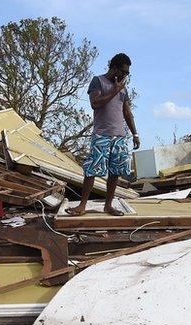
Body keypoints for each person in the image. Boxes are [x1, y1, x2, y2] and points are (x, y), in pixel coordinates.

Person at [66, 53, 139, 216]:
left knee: (115, 172)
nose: (125, 75)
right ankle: (82, 206)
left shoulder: (123, 88)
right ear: (114, 68)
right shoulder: (98, 81)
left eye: (127, 73)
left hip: (119, 136)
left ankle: (108, 205)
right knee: (92, 170)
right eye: (123, 71)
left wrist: (135, 134)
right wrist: (115, 90)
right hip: (102, 135)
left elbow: (127, 112)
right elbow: (95, 103)